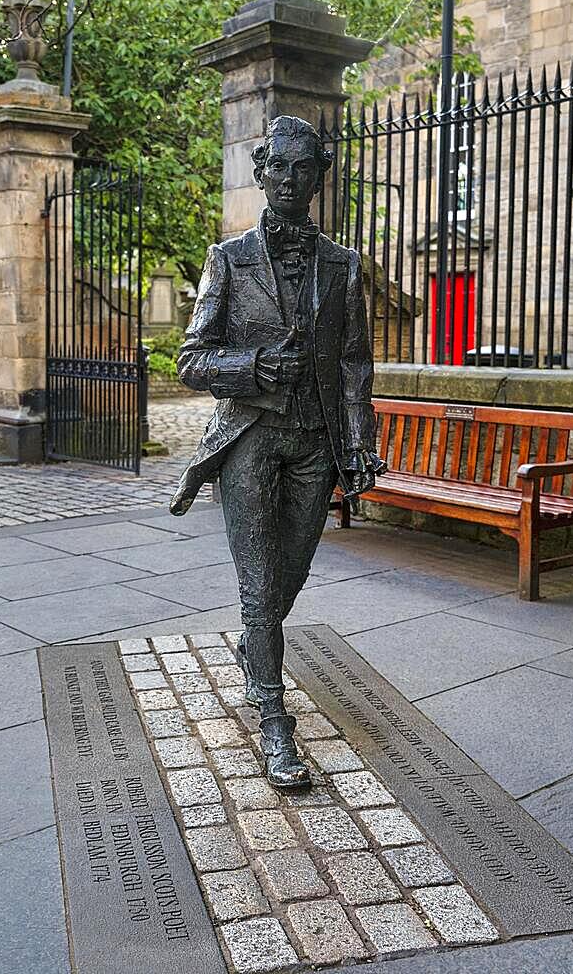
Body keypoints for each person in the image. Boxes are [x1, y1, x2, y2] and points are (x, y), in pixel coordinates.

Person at [170, 115, 381, 788]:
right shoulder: (228, 260)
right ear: (261, 174)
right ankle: (274, 720)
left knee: (288, 579)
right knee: (261, 593)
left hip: (316, 445)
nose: (290, 180)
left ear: (319, 176)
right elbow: (191, 360)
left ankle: (251, 651)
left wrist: (360, 446)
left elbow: (354, 367)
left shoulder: (344, 266)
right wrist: (254, 367)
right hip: (250, 443)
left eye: (303, 169)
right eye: (278, 168)